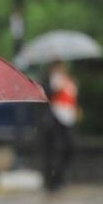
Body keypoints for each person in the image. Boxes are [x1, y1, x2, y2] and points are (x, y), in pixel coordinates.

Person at [41, 61, 78, 191]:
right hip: (53, 121)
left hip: (67, 119)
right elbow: (45, 95)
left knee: (69, 147)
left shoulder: (68, 80)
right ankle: (51, 181)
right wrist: (55, 87)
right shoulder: (47, 80)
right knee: (53, 151)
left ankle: (59, 176)